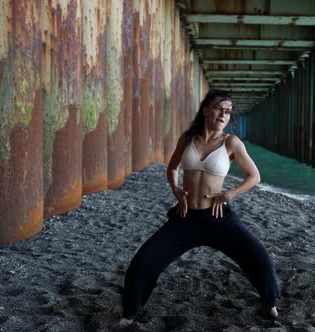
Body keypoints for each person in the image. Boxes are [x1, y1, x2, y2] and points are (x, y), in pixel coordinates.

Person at [120, 90, 280, 325]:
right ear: (205, 109)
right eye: (218, 108)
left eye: (227, 111)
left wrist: (228, 194)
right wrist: (175, 189)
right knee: (142, 263)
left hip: (218, 218)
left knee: (260, 260)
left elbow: (254, 176)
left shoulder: (231, 142)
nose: (223, 114)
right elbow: (173, 167)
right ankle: (129, 313)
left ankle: (270, 304)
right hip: (185, 218)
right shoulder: (187, 138)